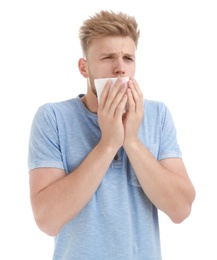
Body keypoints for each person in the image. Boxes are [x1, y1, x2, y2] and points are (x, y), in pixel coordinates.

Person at [28, 10, 196, 260]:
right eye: (107, 57)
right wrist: (108, 144)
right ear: (84, 68)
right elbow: (48, 221)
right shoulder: (52, 118)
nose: (120, 68)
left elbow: (181, 209)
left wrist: (131, 141)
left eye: (128, 58)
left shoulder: (157, 115)